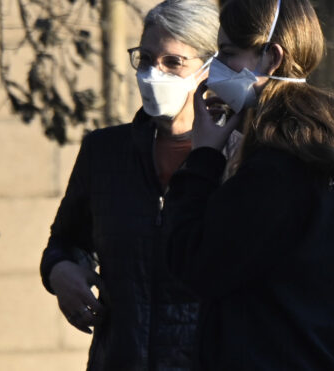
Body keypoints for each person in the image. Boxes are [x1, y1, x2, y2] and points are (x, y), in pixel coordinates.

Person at [164, 0, 334, 369]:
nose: (214, 70)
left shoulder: (278, 167)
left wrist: (203, 157)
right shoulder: (332, 148)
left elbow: (193, 264)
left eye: (227, 54)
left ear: (271, 57)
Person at [39, 1, 219, 369]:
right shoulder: (105, 152)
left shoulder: (238, 158)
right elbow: (66, 241)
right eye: (146, 58)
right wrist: (61, 272)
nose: (154, 73)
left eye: (173, 62)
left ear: (207, 69)